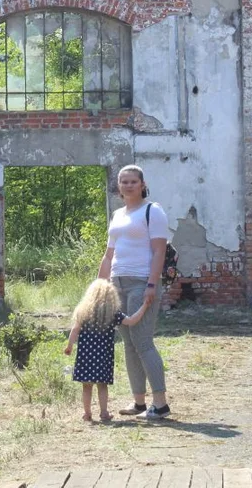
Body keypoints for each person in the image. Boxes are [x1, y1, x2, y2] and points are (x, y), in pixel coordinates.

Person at [96, 164, 172, 420]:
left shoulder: (153, 211)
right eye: (123, 181)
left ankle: (160, 404)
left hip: (142, 282)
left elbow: (159, 251)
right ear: (118, 186)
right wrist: (99, 287)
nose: (128, 185)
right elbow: (109, 254)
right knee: (128, 344)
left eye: (133, 181)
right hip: (117, 284)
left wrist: (152, 284)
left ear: (142, 184)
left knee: (143, 342)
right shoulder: (117, 214)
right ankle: (139, 402)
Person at [64, 279, 151, 422]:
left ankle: (87, 414)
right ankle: (104, 413)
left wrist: (69, 346)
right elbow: (131, 321)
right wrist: (144, 306)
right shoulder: (112, 314)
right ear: (112, 297)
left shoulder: (83, 312)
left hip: (85, 356)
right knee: (102, 385)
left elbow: (75, 330)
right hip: (103, 357)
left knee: (86, 386)